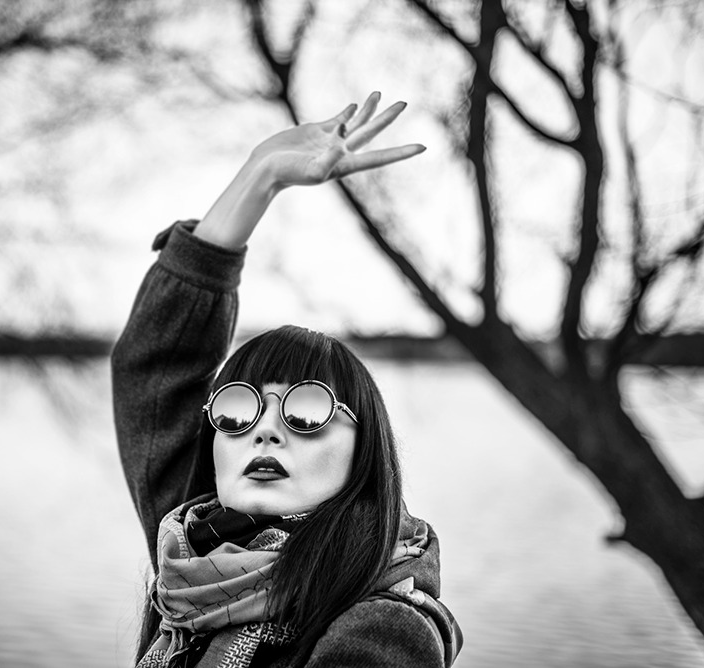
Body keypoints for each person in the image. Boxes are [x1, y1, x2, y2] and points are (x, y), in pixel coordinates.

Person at [112, 92, 462, 668]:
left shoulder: (380, 626)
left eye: (305, 412)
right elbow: (153, 369)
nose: (264, 433)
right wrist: (260, 176)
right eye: (236, 411)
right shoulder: (196, 562)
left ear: (363, 453)